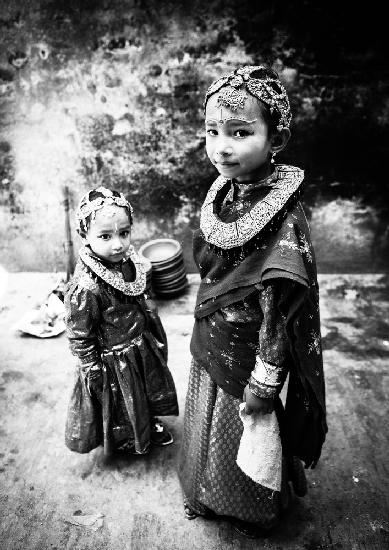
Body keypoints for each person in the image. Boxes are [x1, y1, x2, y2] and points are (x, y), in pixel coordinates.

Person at [178, 65, 327, 538]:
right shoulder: (226, 189)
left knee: (243, 426)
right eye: (213, 131)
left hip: (249, 352)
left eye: (241, 132)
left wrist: (265, 381)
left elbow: (281, 312)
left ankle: (249, 509)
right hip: (213, 335)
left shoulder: (284, 221)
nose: (222, 146)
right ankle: (204, 493)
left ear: (276, 139)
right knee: (207, 423)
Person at [64, 186, 178, 458]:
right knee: (122, 403)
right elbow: (80, 335)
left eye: (124, 233)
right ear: (84, 235)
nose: (118, 244)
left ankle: (148, 422)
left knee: (145, 391)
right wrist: (92, 368)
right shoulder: (86, 287)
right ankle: (128, 439)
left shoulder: (130, 260)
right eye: (105, 236)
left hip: (141, 344)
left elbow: (141, 292)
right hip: (113, 360)